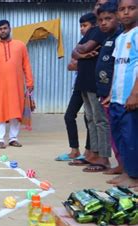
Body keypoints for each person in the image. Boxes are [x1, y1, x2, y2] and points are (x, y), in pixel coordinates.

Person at [72, 6, 112, 173]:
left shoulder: (100, 31)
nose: (98, 8)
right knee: (90, 119)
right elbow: (76, 52)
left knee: (100, 120)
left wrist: (81, 51)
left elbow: (84, 48)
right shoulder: (91, 32)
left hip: (95, 83)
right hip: (83, 81)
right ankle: (94, 154)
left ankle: (103, 157)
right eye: (96, 5)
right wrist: (81, 54)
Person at [103, 0, 138, 190]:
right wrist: (111, 93)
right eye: (122, 9)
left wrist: (135, 93)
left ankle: (134, 176)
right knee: (119, 137)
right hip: (117, 97)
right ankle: (126, 171)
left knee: (131, 137)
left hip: (130, 98)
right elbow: (118, 67)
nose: (126, 13)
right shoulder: (120, 37)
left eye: (131, 8)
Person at [0, 20, 34, 149]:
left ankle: (13, 138)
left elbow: (26, 65)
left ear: (10, 29)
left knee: (16, 111)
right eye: (0, 29)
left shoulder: (20, 45)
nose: (3, 31)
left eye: (5, 28)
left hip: (16, 85)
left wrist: (30, 82)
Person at [56, 13, 95, 162]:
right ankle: (74, 150)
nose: (82, 29)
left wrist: (79, 59)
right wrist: (80, 59)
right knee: (69, 116)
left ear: (93, 25)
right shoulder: (83, 42)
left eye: (85, 26)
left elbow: (76, 62)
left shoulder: (96, 40)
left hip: (90, 84)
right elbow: (70, 64)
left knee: (89, 117)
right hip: (78, 85)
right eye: (81, 26)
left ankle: (88, 151)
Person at [96, 2, 124, 175]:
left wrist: (111, 91)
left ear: (117, 17)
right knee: (114, 130)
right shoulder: (108, 38)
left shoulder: (121, 37)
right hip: (105, 92)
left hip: (116, 93)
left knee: (121, 130)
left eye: (108, 18)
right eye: (100, 20)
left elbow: (119, 67)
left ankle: (125, 165)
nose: (103, 23)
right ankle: (122, 163)